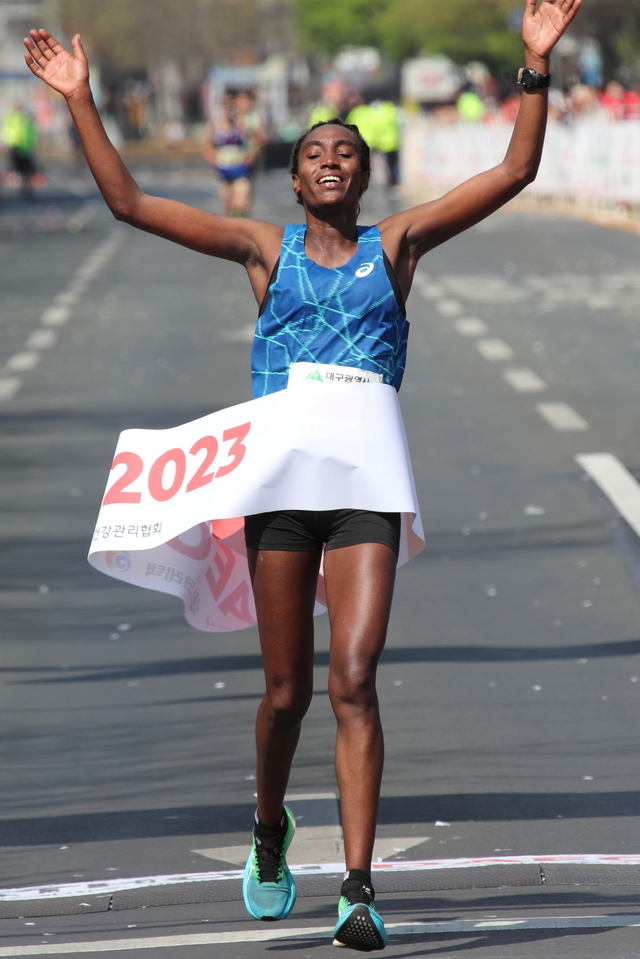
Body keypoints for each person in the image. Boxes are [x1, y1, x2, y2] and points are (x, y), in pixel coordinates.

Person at [24, 0, 581, 950]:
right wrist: (81, 102)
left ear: (365, 177)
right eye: (317, 150)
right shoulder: (264, 251)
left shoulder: (395, 246)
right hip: (277, 495)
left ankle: (358, 889)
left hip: (367, 488)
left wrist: (532, 67)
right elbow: (131, 207)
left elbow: (515, 170)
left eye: (349, 152)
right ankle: (270, 828)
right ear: (291, 177)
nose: (333, 158)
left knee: (355, 678)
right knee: (285, 693)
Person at [203, 93, 263, 217]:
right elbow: (206, 144)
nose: (227, 110)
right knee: (227, 206)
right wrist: (210, 156)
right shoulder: (214, 125)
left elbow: (258, 139)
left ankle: (241, 226)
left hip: (240, 169)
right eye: (225, 106)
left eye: (230, 106)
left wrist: (251, 155)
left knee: (241, 204)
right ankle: (232, 231)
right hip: (223, 169)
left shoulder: (242, 123)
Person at [2, 104, 39, 197]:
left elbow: (31, 131)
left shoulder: (26, 118)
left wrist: (32, 144)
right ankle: (21, 183)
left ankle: (26, 184)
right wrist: (8, 143)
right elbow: (6, 132)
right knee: (18, 167)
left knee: (26, 168)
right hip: (15, 146)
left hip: (25, 147)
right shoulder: (11, 118)